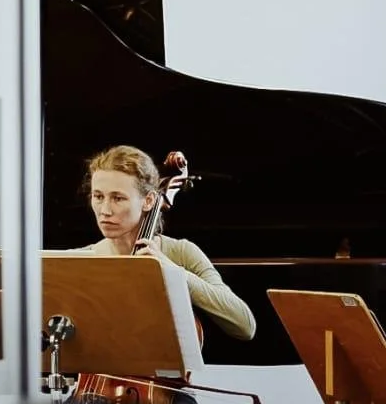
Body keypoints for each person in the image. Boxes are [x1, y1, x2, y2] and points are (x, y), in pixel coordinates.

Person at [73, 145, 256, 341]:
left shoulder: (181, 252)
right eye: (98, 196)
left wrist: (173, 273)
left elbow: (245, 325)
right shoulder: (78, 261)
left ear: (149, 201)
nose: (105, 210)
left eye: (118, 198)